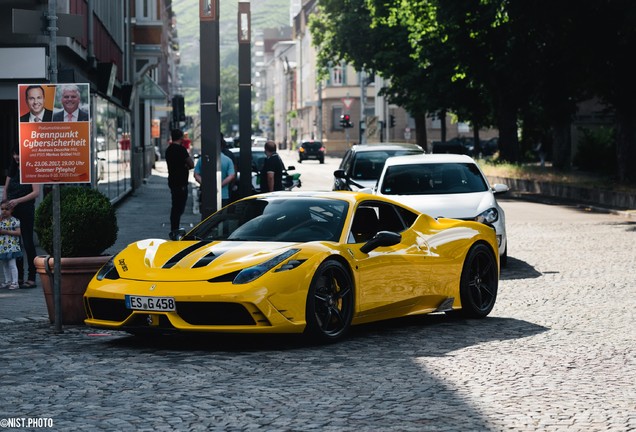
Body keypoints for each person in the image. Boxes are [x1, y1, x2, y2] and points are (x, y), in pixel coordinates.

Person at [2, 145, 40, 288]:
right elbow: (5, 189)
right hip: (12, 211)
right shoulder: (12, 169)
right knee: (15, 244)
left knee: (28, 243)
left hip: (26, 209)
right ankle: (17, 278)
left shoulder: (31, 168)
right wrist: (5, 206)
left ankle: (31, 277)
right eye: (14, 154)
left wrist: (17, 201)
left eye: (18, 154)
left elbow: (36, 192)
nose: (16, 157)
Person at [165, 129, 194, 239]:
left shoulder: (168, 150)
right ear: (181, 138)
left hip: (172, 181)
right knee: (179, 207)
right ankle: (175, 230)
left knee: (175, 206)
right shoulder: (181, 150)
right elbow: (191, 164)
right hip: (181, 182)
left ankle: (174, 228)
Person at [0, 200, 22, 290]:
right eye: (2, 209)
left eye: (7, 209)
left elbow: (18, 233)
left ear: (11, 210)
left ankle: (15, 282)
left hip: (12, 246)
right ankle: (7, 281)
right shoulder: (0, 220)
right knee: (4, 264)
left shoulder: (14, 221)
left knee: (12, 264)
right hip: (2, 247)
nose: (4, 211)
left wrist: (5, 231)